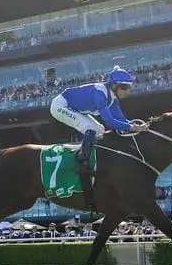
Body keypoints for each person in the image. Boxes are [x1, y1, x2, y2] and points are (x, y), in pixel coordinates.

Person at [49, 66, 148, 207]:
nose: (127, 91)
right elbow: (110, 121)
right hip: (61, 105)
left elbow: (122, 119)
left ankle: (88, 155)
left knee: (99, 130)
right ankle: (83, 160)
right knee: (90, 128)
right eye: (124, 87)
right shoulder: (100, 94)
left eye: (128, 87)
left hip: (75, 107)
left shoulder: (113, 98)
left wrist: (136, 126)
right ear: (114, 85)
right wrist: (132, 127)